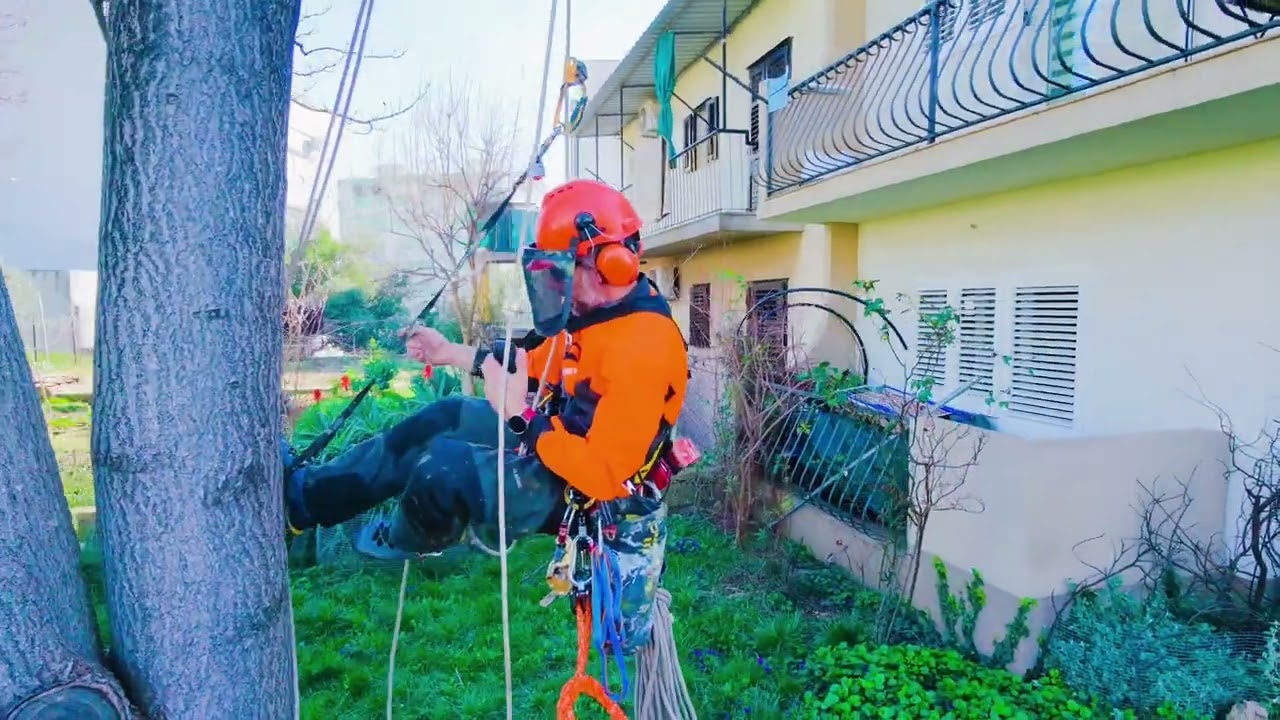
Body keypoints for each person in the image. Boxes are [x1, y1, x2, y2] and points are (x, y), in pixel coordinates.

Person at [281, 179, 691, 564]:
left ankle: (407, 540)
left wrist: (522, 418)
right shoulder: (596, 318)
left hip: (591, 492)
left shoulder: (642, 349)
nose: (557, 287)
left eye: (562, 271)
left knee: (444, 471)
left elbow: (602, 476)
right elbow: (532, 364)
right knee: (447, 416)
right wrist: (449, 353)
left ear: (610, 264)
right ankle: (307, 499)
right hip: (557, 443)